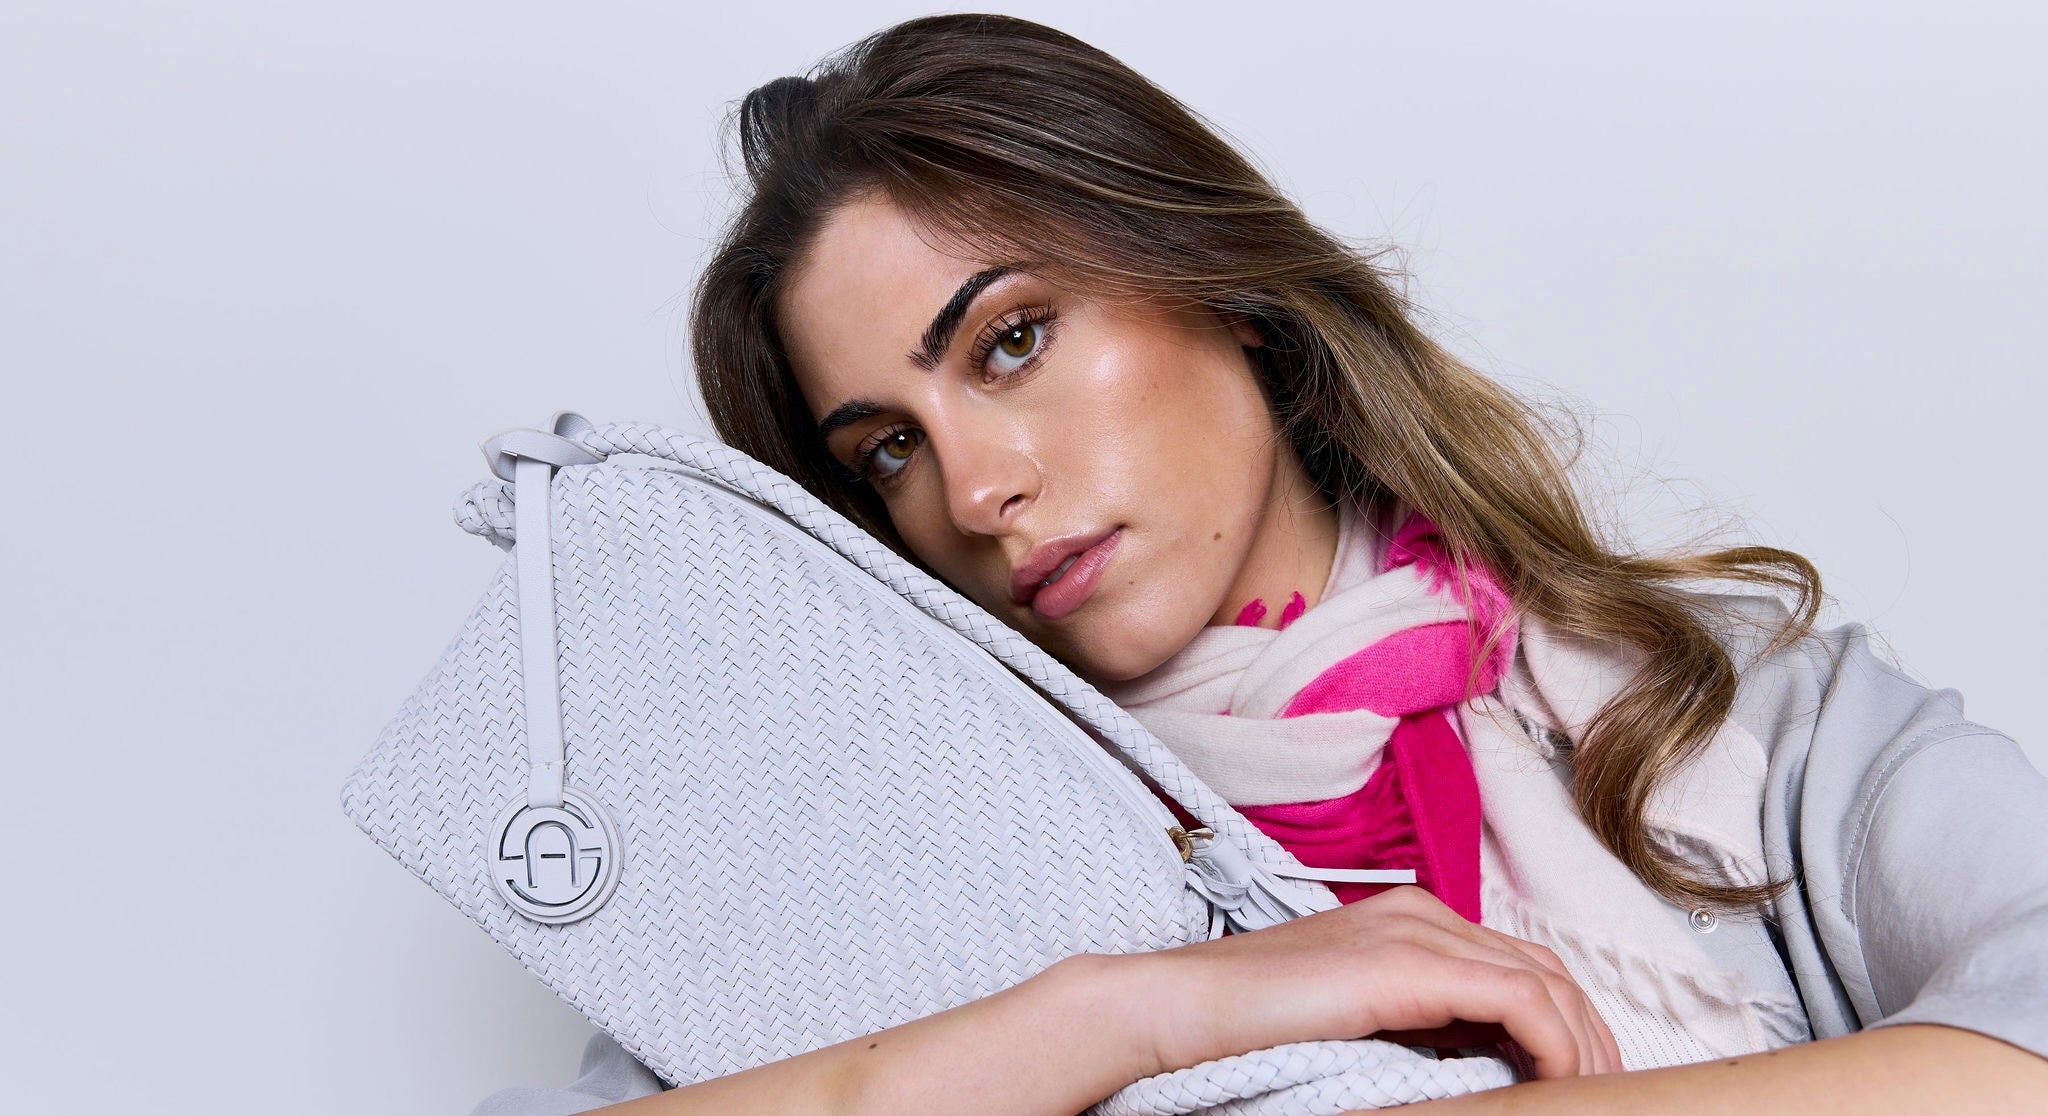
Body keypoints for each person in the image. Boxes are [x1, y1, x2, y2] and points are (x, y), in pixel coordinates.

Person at [472, 13, 2048, 1115]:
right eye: (888, 447)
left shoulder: (1725, 714)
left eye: (1012, 341)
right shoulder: (896, 863)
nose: (975, 488)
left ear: (1219, 283)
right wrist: (1127, 1014)